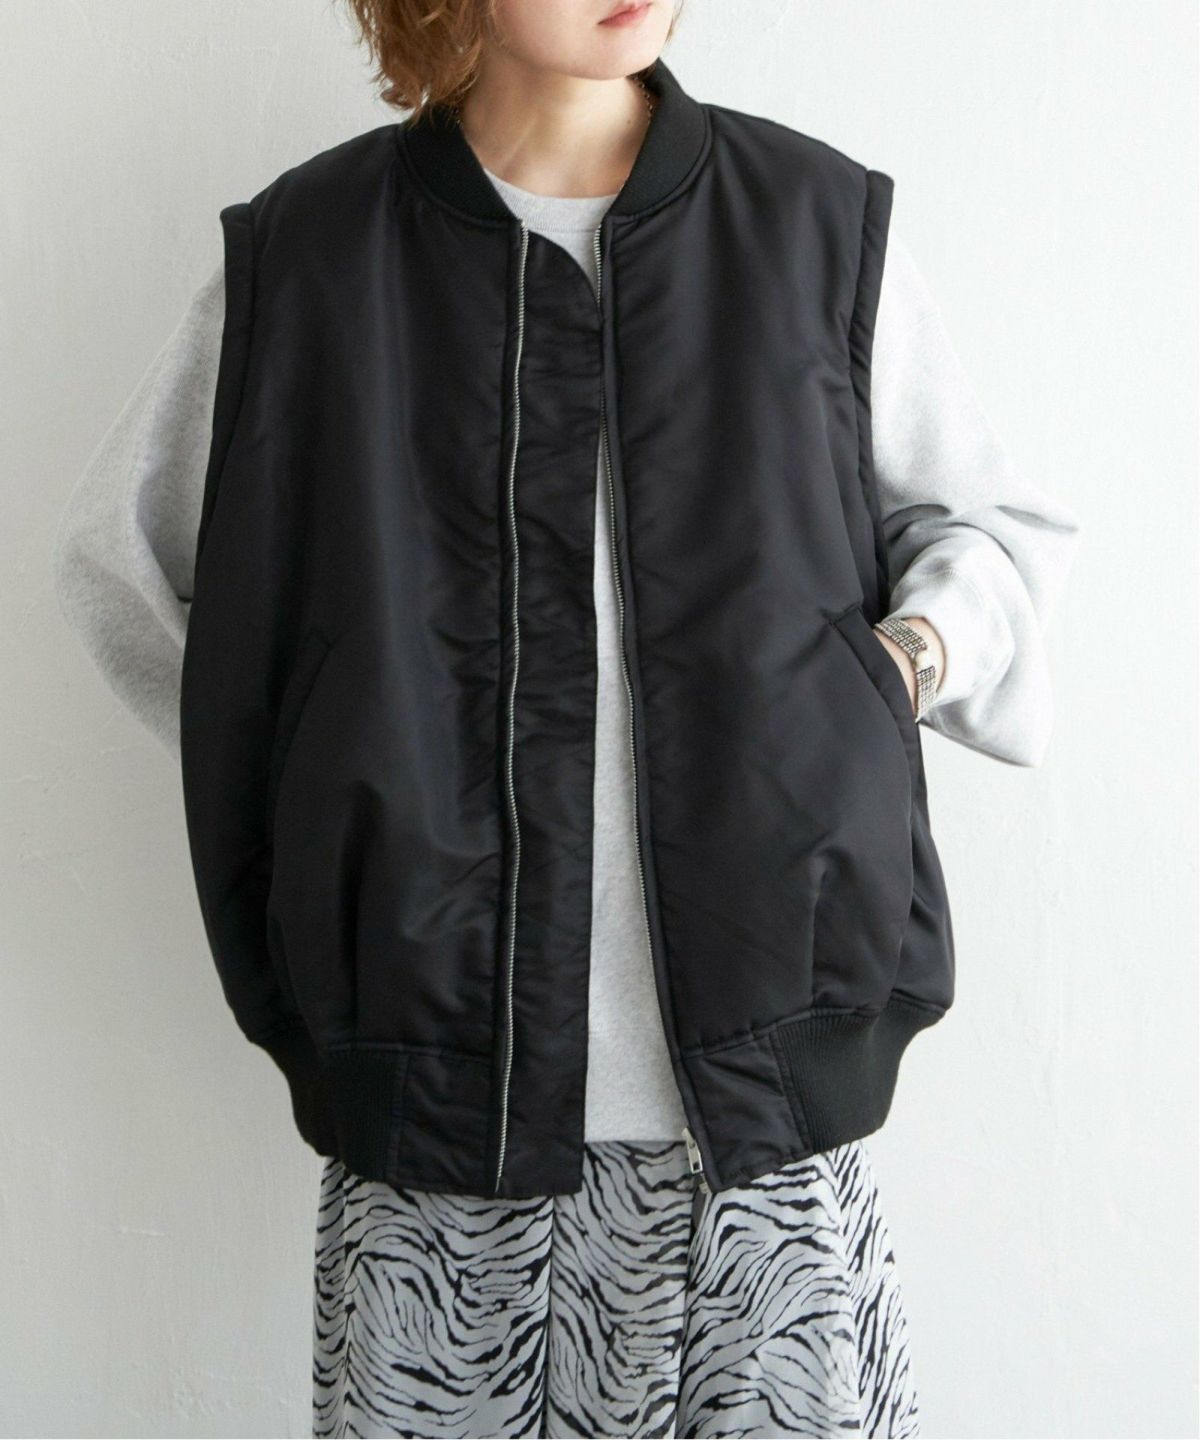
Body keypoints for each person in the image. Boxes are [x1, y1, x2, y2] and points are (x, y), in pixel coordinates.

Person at [52, 2, 1081, 1436]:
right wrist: (324, 774)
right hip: (436, 1142)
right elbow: (124, 568)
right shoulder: (311, 256)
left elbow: (989, 532)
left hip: (763, 1134)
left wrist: (896, 667)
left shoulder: (809, 224)